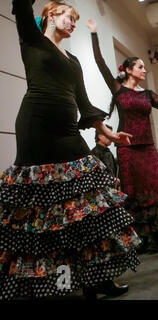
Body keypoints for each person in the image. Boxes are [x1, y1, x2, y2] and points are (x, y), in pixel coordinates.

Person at [0, 0, 139, 300]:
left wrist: (110, 135)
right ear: (51, 15)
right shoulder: (32, 40)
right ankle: (48, 284)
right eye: (68, 17)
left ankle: (96, 278)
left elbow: (86, 106)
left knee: (89, 205)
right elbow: (22, 6)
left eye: (75, 19)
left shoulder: (73, 59)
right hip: (36, 128)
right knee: (42, 208)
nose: (73, 23)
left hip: (67, 132)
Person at [87, 20, 158, 252]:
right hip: (126, 148)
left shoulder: (148, 94)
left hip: (147, 148)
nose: (144, 70)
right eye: (139, 67)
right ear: (127, 70)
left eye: (144, 67)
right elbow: (100, 63)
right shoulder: (118, 89)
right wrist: (95, 33)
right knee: (134, 193)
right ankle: (142, 239)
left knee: (157, 187)